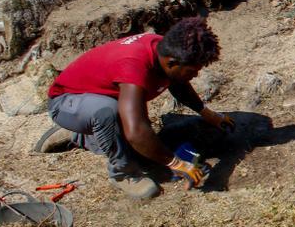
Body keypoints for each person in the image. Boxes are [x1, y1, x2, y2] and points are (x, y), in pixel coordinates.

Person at [37, 17, 233, 199]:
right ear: (172, 63)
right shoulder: (134, 65)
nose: (196, 76)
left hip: (99, 96)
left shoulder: (164, 51)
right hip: (66, 102)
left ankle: (85, 135)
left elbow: (177, 81)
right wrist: (176, 163)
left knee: (129, 130)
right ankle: (123, 173)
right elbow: (136, 131)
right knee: (109, 113)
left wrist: (207, 114)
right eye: (192, 71)